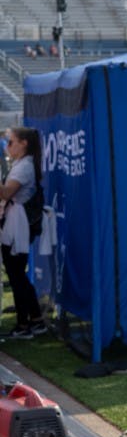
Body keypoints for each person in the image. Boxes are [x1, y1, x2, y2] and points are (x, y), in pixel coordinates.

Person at [0, 127, 46, 339]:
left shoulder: (24, 166)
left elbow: (7, 192)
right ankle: (34, 320)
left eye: (11, 142)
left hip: (18, 226)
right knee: (17, 274)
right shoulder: (23, 164)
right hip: (16, 223)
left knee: (17, 274)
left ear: (24, 144)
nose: (8, 146)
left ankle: (25, 323)